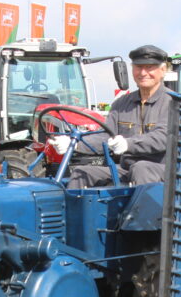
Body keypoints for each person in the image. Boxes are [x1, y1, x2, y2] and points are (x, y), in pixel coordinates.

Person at [59, 45, 173, 189]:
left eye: (149, 67)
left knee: (141, 168)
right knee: (81, 173)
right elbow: (105, 136)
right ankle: (75, 211)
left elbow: (162, 137)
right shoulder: (121, 103)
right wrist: (74, 144)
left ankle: (142, 212)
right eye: (138, 67)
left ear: (162, 70)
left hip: (163, 168)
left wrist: (128, 144)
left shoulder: (172, 102)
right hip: (127, 168)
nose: (143, 73)